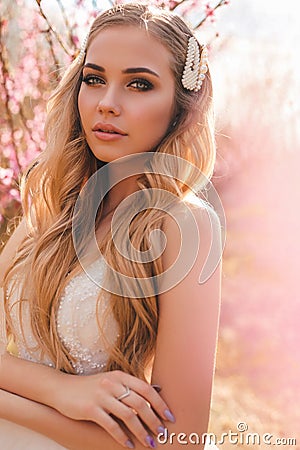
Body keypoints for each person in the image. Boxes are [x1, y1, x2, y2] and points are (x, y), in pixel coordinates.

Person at [0, 3, 223, 449]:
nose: (107, 103)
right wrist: (61, 392)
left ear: (181, 107)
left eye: (139, 84)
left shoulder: (183, 226)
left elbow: (180, 439)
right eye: (94, 78)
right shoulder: (52, 207)